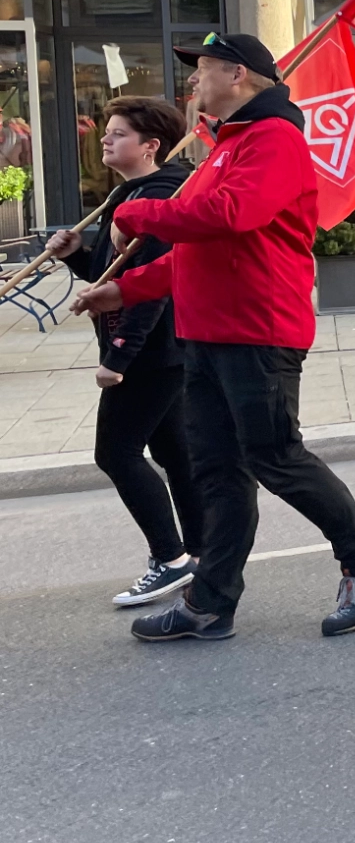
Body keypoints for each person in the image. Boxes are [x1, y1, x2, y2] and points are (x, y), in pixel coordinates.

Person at [77, 33, 355, 642]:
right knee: (217, 471)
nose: (193, 80)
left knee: (276, 458)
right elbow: (201, 250)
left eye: (202, 68)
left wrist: (132, 212)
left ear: (238, 74)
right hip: (206, 333)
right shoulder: (228, 144)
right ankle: (209, 602)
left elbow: (231, 216)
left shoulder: (274, 139)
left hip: (257, 331)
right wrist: (128, 289)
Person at [50, 96, 202, 606]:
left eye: (118, 133)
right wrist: (76, 256)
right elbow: (110, 277)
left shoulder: (160, 198)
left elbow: (150, 290)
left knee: (115, 453)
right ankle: (202, 555)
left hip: (152, 351)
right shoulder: (126, 194)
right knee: (175, 453)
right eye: (107, 131)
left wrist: (116, 359)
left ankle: (170, 560)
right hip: (165, 350)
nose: (106, 139)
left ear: (150, 146)